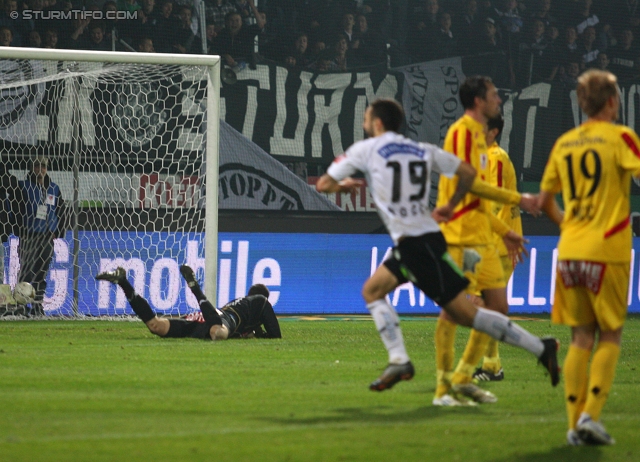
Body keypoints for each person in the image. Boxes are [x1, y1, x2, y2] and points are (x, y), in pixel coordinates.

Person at [316, 98, 559, 396]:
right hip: (424, 239)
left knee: (467, 315)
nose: (365, 121)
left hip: (417, 245)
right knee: (373, 290)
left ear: (377, 123)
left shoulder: (365, 150)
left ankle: (537, 347)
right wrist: (450, 206)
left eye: (367, 117)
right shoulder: (421, 149)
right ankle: (400, 360)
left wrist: (343, 186)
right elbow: (468, 173)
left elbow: (323, 185)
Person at [537, 69, 640, 446]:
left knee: (580, 337)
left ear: (582, 103)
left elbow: (545, 201)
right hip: (607, 250)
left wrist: (570, 227)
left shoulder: (565, 143)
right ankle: (590, 417)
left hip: (570, 250)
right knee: (610, 333)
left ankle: (573, 426)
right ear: (613, 102)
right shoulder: (621, 138)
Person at [433, 76, 538, 406]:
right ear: (479, 101)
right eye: (494, 95)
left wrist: (506, 230)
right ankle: (451, 383)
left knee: (491, 307)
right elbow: (475, 192)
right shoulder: (467, 138)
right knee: (465, 308)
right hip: (468, 237)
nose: (499, 99)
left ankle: (471, 374)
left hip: (485, 237)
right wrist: (518, 204)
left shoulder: (486, 149)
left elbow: (483, 199)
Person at [95, 265, 281, 340]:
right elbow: (275, 336)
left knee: (155, 326)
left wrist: (254, 333)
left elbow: (255, 332)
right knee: (219, 334)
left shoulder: (242, 306)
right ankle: (194, 287)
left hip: (204, 318)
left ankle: (123, 282)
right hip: (221, 319)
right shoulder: (260, 301)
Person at [472, 114, 523, 382]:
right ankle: (492, 364)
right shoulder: (483, 157)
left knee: (484, 304)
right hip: (493, 241)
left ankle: (492, 366)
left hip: (500, 244)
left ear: (493, 131)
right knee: (483, 304)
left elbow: (495, 199)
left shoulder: (496, 157)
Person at [17, 157, 65, 315]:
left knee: (41, 273)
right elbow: (16, 208)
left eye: (43, 166)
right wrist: (20, 229)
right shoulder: (23, 187)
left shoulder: (54, 188)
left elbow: (61, 211)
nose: (40, 169)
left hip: (46, 238)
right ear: (31, 168)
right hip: (29, 236)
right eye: (37, 166)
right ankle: (21, 306)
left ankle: (37, 306)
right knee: (26, 273)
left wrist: (58, 232)